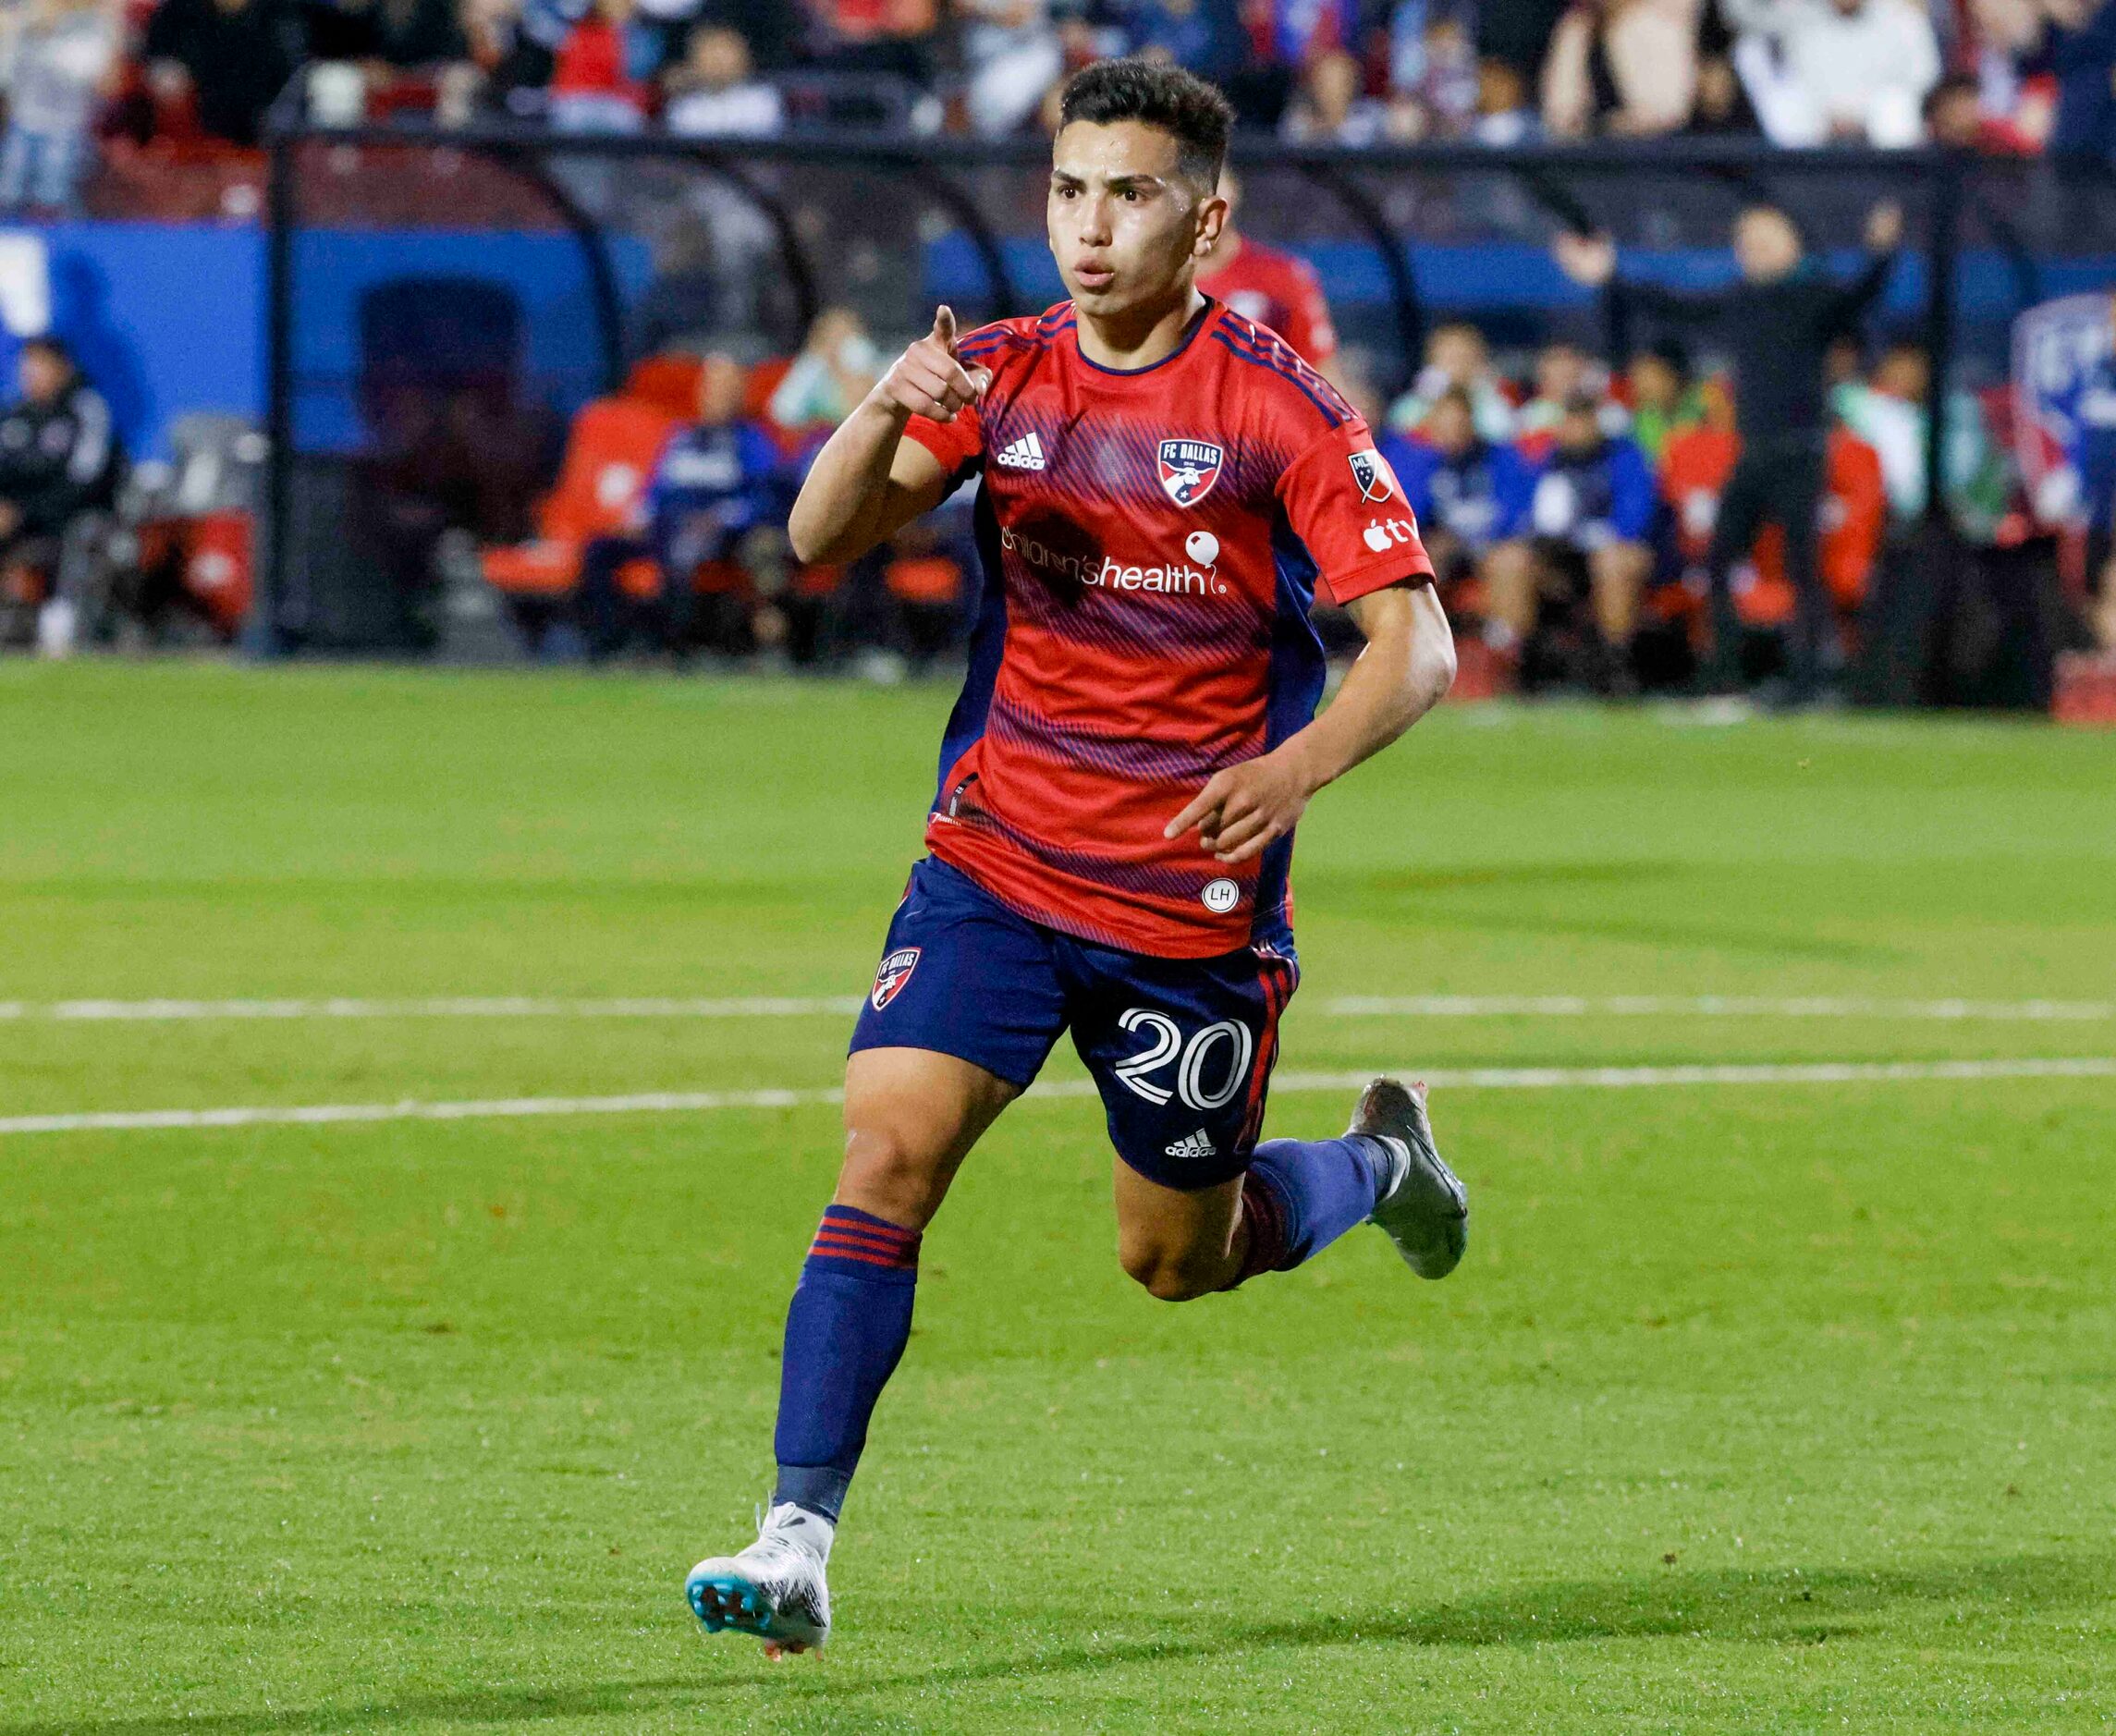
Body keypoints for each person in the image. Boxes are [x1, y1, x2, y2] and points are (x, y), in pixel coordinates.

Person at [683, 57, 1465, 1658]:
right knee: (884, 1151)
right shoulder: (1003, 373)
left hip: (1183, 908)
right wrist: (877, 411)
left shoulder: (1274, 407)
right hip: (994, 857)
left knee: (1175, 1257)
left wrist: (1291, 767)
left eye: (1128, 194)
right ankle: (794, 1536)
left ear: (1207, 220)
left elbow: (1419, 644)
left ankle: (1377, 1163)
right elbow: (820, 538)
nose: (1088, 227)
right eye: (1066, 191)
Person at [1556, 198, 1902, 700]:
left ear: (1791, 243)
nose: (1752, 250)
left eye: (1762, 238)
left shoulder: (1814, 298)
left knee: (1803, 567)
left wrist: (1882, 251)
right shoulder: (1742, 299)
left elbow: (1862, 294)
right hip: (1754, 453)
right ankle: (1725, 671)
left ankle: (1811, 678)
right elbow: (1673, 304)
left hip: (1801, 454)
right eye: (1745, 241)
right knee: (1718, 560)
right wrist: (1611, 275)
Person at [577, 350, 785, 657]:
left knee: (684, 547)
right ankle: (611, 644)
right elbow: (655, 490)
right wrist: (639, 517)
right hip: (664, 526)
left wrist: (721, 518)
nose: (715, 397)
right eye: (710, 388)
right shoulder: (681, 437)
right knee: (599, 550)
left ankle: (672, 647)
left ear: (740, 394)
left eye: (725, 389)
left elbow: (765, 499)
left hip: (717, 534)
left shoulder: (753, 442)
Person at [1483, 389, 1657, 692]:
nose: (1577, 429)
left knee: (1613, 563)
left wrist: (1593, 534)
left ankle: (1615, 663)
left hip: (1608, 554)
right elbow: (1521, 517)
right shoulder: (1546, 461)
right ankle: (1516, 663)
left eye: (1584, 421)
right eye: (1571, 421)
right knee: (1509, 560)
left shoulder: (1625, 457)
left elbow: (1635, 518)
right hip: (1557, 558)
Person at [0, 336, 120, 631]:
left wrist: (26, 511)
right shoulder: (17, 416)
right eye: (26, 368)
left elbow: (88, 477)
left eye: (39, 366)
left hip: (69, 513)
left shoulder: (86, 409)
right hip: (17, 514)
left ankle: (60, 612)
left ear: (61, 368)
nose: (30, 375)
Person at [1380, 383, 1532, 590]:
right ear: (1432, 424)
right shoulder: (1415, 461)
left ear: (1471, 422)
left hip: (1491, 542)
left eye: (1459, 423)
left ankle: (1502, 624)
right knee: (1414, 561)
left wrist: (1491, 537)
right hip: (1442, 542)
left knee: (1512, 560)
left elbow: (1515, 510)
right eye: (1446, 424)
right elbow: (1410, 515)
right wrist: (1431, 463)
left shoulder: (1500, 457)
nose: (1454, 432)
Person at [1193, 165, 1339, 373]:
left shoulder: (1282, 277)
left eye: (1213, 189)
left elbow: (1320, 375)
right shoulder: (1149, 283)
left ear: (1232, 191)